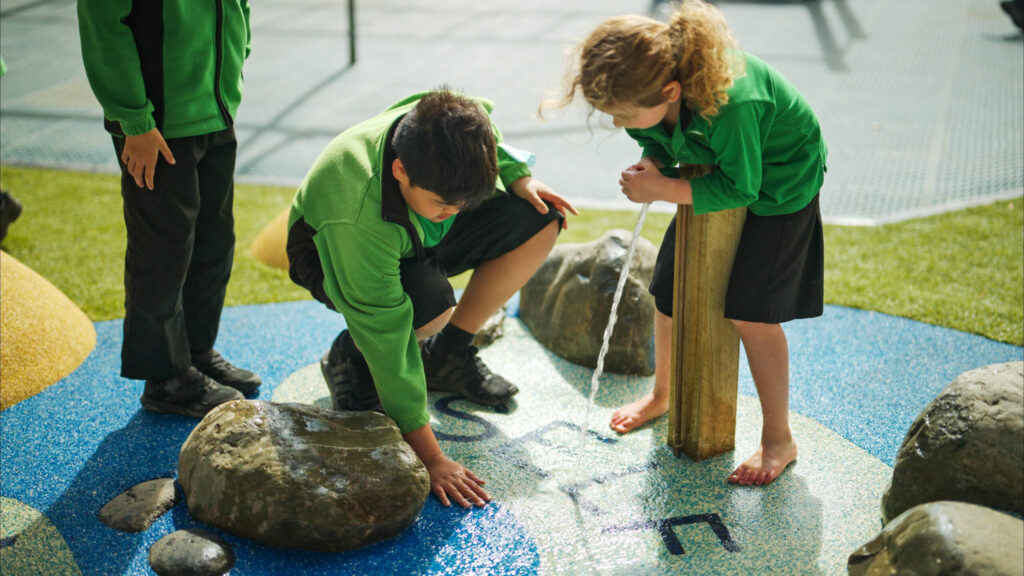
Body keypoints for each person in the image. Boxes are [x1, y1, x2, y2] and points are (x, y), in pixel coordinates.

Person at [550, 0, 826, 486]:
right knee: (669, 294)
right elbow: (656, 133)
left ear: (671, 89)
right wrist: (655, 164)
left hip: (779, 187)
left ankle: (779, 437)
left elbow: (743, 187)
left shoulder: (736, 102)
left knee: (751, 313)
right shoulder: (657, 89)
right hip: (709, 168)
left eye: (623, 113)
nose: (618, 123)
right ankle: (663, 394)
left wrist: (661, 189)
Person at [287, 89, 576, 507]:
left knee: (541, 216)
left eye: (464, 203)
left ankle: (448, 355)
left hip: (415, 225)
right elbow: (387, 333)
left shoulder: (448, 124)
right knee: (428, 308)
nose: (457, 212)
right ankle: (350, 355)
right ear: (401, 170)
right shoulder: (354, 216)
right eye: (447, 204)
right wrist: (433, 458)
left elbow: (485, 128)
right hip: (331, 251)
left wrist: (516, 176)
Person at [78, 0, 261, 417]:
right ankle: (165, 378)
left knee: (214, 238)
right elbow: (103, 22)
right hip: (154, 124)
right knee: (162, 249)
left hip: (213, 109)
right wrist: (134, 120)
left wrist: (234, 56)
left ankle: (196, 352)